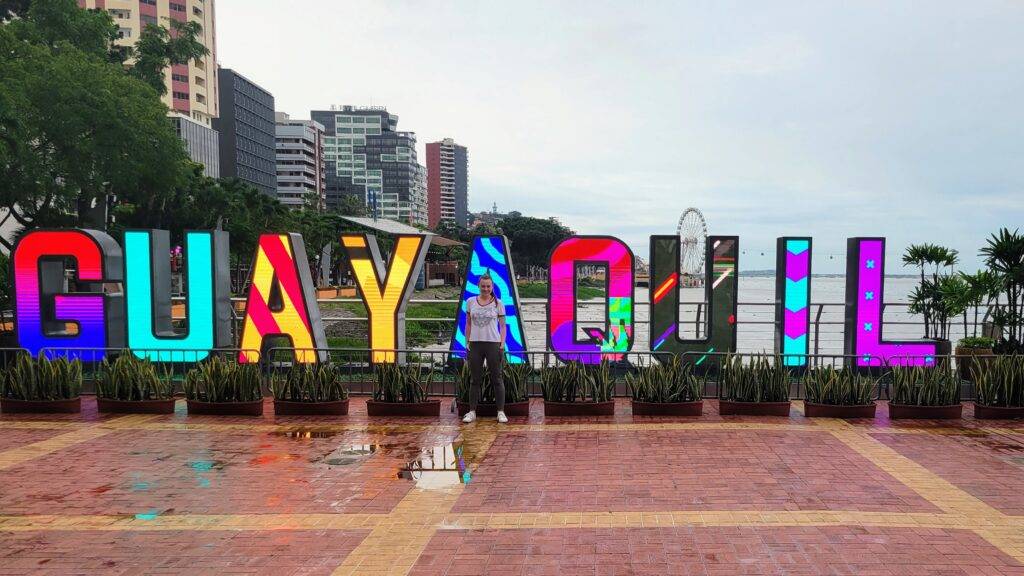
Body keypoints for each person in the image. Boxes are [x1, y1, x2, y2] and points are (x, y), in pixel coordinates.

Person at [462, 273, 508, 423]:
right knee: (475, 380)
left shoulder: (498, 303)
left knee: (497, 378)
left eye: (488, 286)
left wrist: (501, 344)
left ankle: (500, 412)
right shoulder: (470, 302)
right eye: (483, 286)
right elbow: (468, 323)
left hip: (493, 344)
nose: (486, 289)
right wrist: (466, 342)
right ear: (478, 286)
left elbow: (503, 326)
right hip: (475, 344)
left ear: (492, 287)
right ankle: (472, 411)